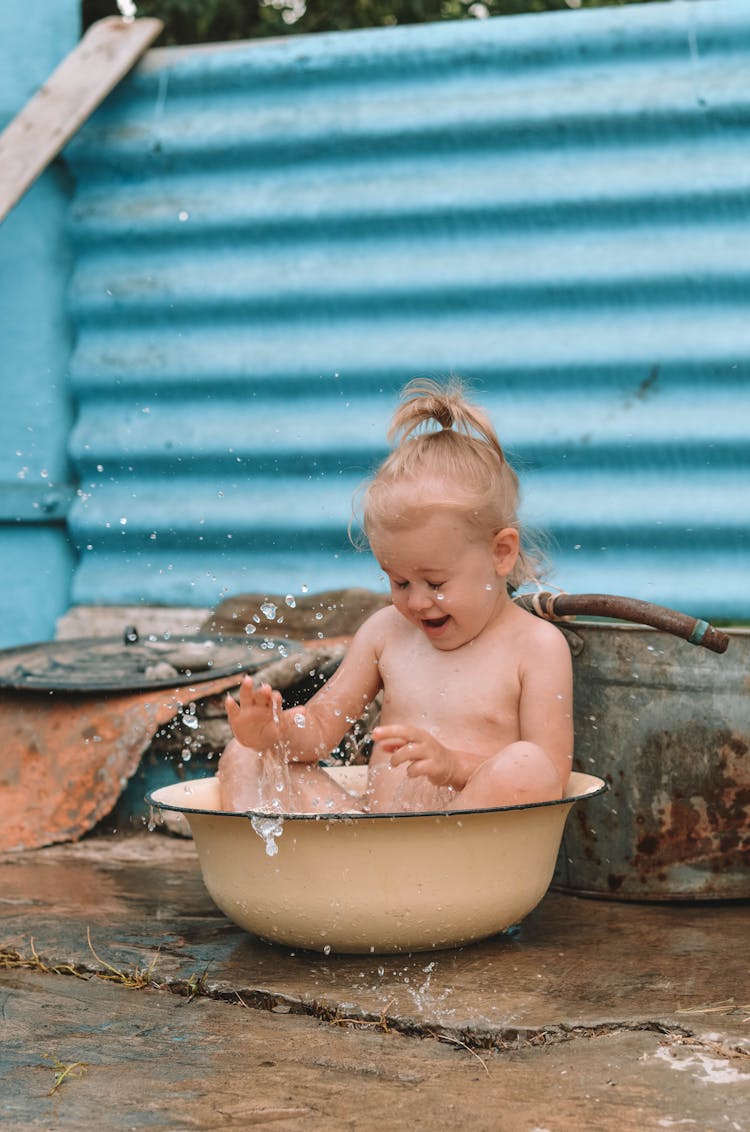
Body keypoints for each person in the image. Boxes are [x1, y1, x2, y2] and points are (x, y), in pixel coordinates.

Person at [217, 378, 573, 815]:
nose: (417, 602)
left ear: (501, 553)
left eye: (436, 583)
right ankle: (276, 876)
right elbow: (324, 725)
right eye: (399, 582)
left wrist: (453, 766)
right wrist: (274, 732)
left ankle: (420, 875)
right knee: (246, 755)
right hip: (375, 846)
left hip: (470, 851)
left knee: (527, 765)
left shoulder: (536, 646)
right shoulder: (386, 632)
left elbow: (552, 777)